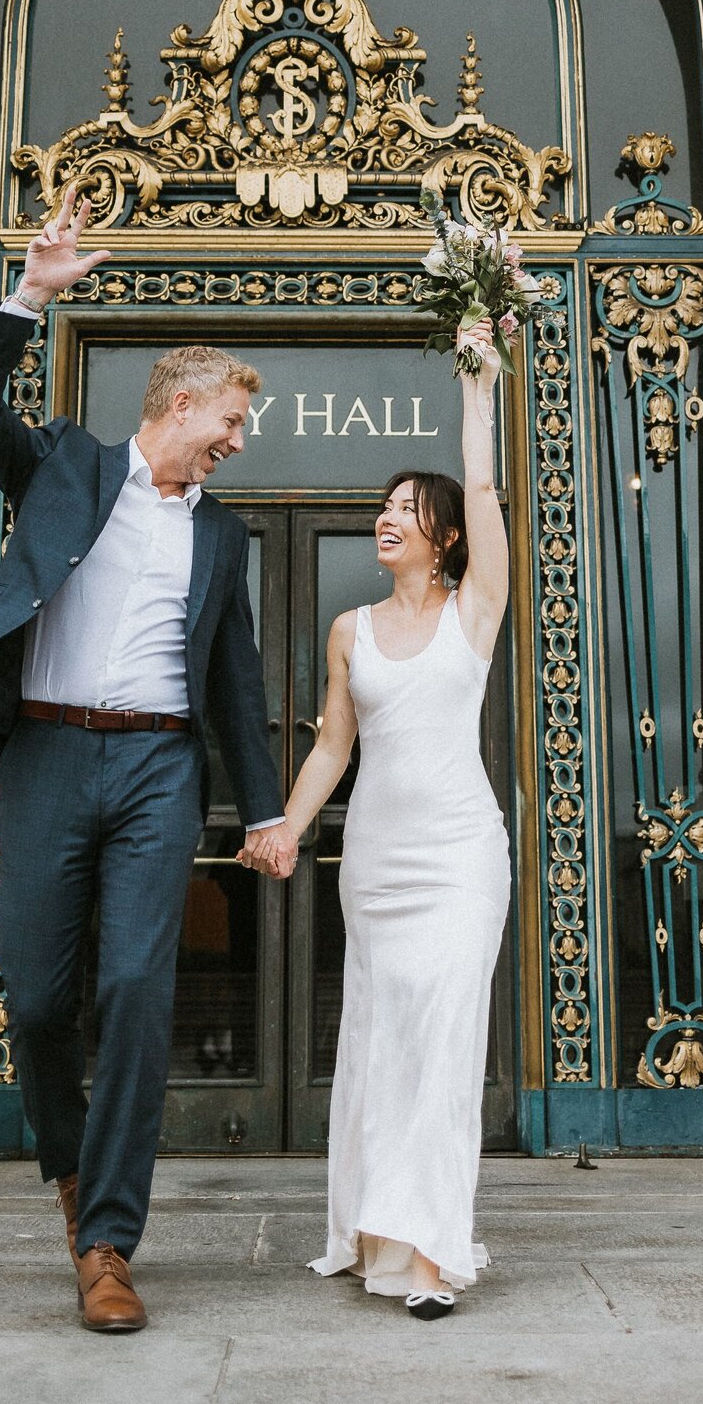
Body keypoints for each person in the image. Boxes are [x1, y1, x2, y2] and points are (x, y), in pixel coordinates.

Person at [0, 187, 285, 1332]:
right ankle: (71, 1174)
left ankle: (109, 1244)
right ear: (183, 404)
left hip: (157, 770)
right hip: (46, 751)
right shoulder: (68, 468)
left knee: (138, 989)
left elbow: (234, 678)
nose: (240, 442)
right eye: (232, 420)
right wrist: (30, 294)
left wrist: (268, 811)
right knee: (39, 1001)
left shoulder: (222, 535)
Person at [243, 320, 510, 1319]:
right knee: (385, 1048)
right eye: (383, 507)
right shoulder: (351, 629)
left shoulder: (475, 611)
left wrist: (477, 390)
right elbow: (332, 747)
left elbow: (483, 494)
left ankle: (434, 1256)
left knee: (444, 1049)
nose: (385, 518)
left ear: (440, 536)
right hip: (380, 866)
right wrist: (287, 826)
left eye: (406, 509)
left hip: (460, 860)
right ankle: (381, 1237)